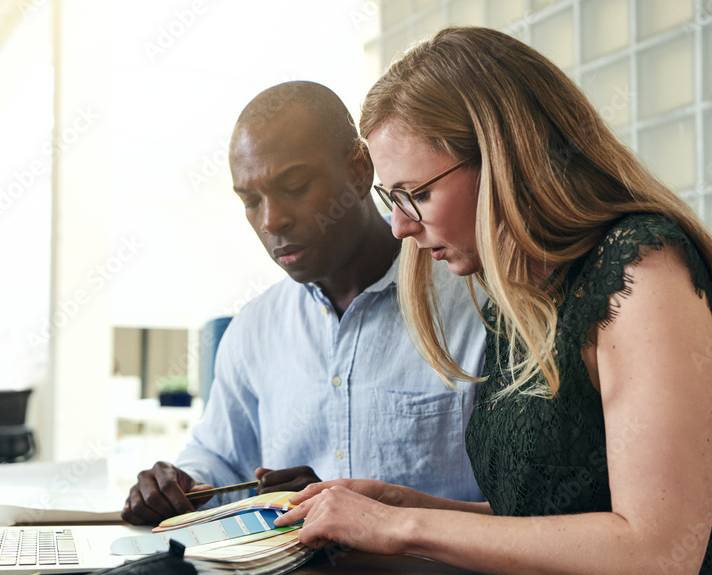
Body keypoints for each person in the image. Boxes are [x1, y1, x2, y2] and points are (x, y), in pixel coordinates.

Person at [275, 27, 712, 575]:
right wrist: (407, 506)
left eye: (416, 193)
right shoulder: (524, 296)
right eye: (392, 197)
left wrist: (401, 532)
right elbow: (558, 520)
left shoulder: (640, 270)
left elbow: (658, 557)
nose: (399, 226)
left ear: (502, 160)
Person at [121, 81, 487, 526]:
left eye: (293, 186)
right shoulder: (255, 328)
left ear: (359, 170)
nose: (272, 220)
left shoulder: (476, 299)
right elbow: (218, 456)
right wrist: (180, 484)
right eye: (251, 201)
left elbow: (526, 503)